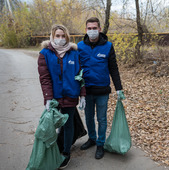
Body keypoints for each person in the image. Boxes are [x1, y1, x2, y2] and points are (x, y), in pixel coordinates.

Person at [38, 24, 86, 169]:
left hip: (71, 96)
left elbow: (81, 75)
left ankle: (66, 152)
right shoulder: (44, 54)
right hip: (54, 98)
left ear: (67, 37)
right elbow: (45, 78)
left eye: (62, 36)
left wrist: (82, 95)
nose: (60, 38)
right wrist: (48, 98)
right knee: (54, 125)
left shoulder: (74, 53)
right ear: (52, 37)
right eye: (57, 36)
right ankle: (53, 149)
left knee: (68, 124)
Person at [77, 17, 125, 159]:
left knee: (102, 119)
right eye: (89, 28)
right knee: (89, 117)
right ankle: (92, 138)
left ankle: (100, 143)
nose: (92, 31)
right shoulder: (79, 46)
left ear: (99, 29)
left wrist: (119, 88)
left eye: (94, 28)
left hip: (102, 90)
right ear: (86, 30)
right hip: (86, 91)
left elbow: (113, 68)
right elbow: (74, 68)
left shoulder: (108, 46)